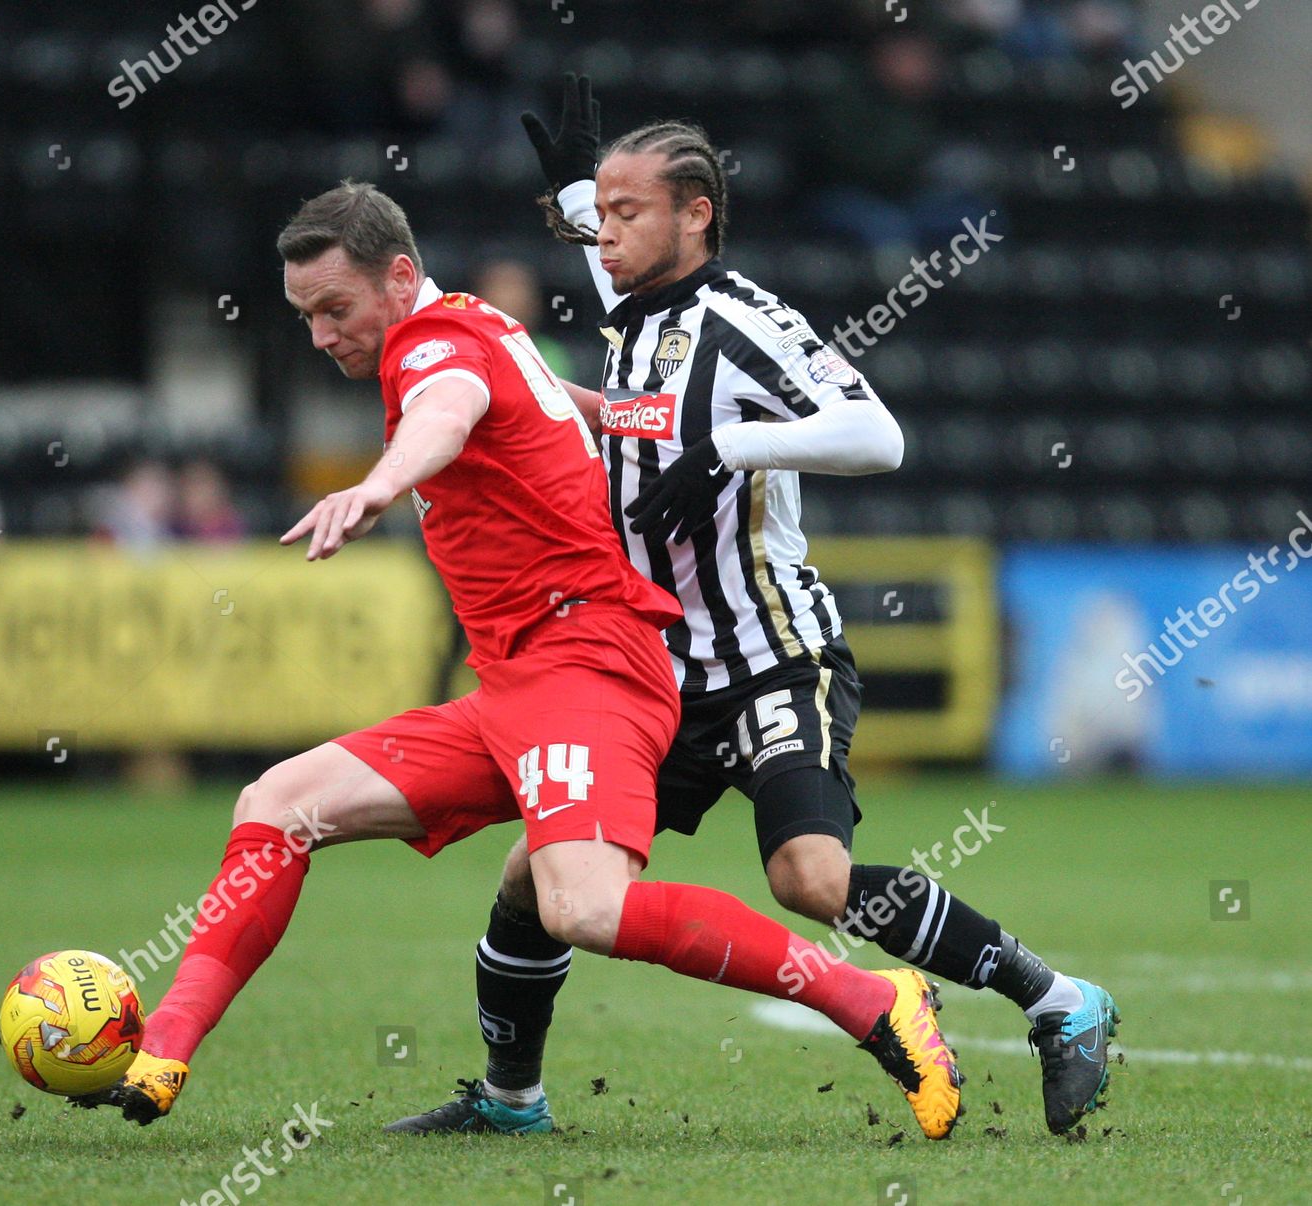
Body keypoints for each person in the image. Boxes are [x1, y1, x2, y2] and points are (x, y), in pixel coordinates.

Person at [73, 180, 962, 1137]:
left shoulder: (435, 347)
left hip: (590, 667)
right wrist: (655, 421)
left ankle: (874, 1003)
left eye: (336, 309)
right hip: (517, 685)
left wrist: (378, 485)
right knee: (276, 804)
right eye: (305, 317)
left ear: (400, 277)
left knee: (582, 905)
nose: (322, 335)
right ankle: (165, 1049)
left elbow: (445, 415)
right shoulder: (483, 322)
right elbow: (556, 402)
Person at [384, 76, 1116, 1140]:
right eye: (606, 214)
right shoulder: (637, 315)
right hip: (658, 670)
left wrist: (726, 446)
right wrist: (582, 206)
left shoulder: (743, 322)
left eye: (630, 213)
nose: (607, 234)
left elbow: (880, 438)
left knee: (811, 881)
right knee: (541, 879)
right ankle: (509, 1099)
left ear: (698, 217)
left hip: (773, 657)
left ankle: (1061, 1001)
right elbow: (633, 338)